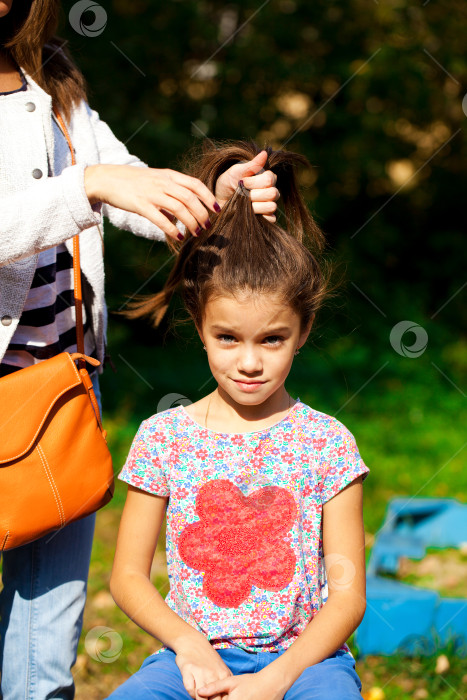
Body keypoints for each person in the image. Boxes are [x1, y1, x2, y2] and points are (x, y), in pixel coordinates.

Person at [0, 1, 280, 697]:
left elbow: (124, 183)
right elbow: (92, 188)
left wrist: (211, 200)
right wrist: (87, 187)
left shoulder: (50, 78)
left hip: (54, 396)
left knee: (42, 647)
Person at [107, 141, 369, 700]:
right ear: (199, 324)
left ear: (302, 331)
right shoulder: (163, 438)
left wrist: (275, 681)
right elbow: (128, 576)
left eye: (272, 339)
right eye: (228, 338)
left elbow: (347, 597)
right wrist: (190, 646)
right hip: (188, 660)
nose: (249, 362)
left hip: (306, 666)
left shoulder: (327, 443)